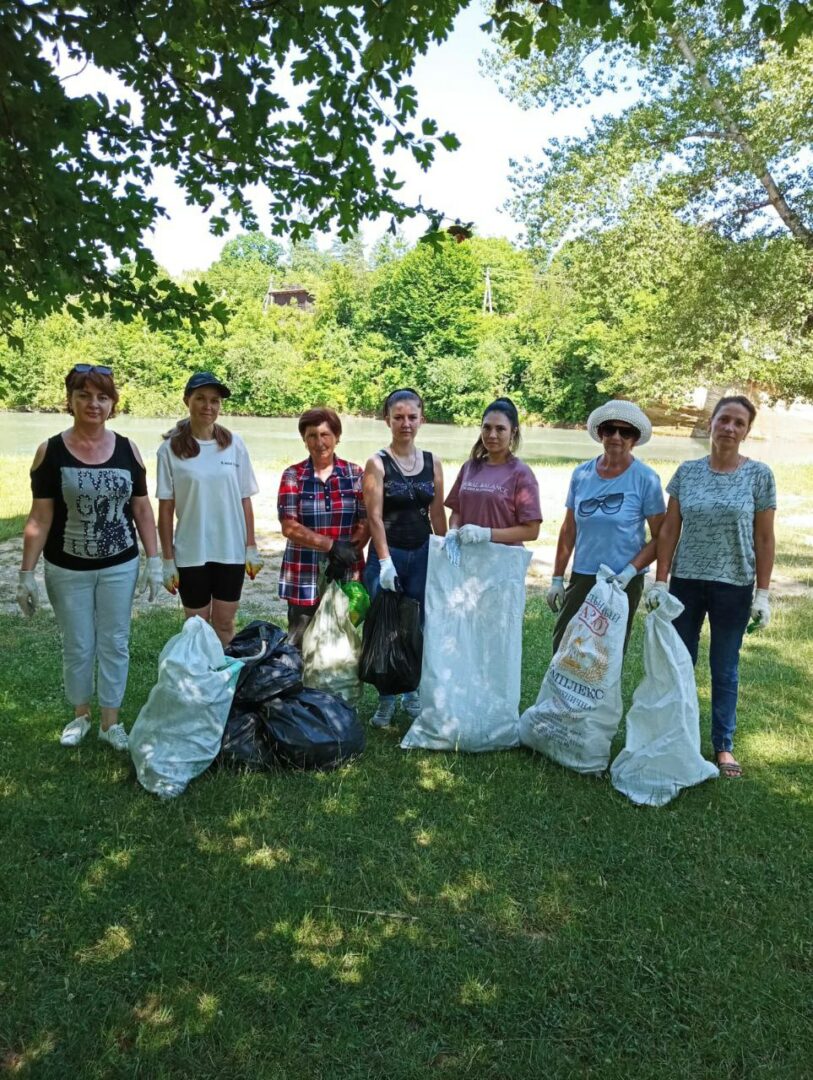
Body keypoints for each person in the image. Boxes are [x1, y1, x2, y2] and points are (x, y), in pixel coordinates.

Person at [16, 363, 162, 750]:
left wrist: (156, 560)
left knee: (115, 641)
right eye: (83, 395)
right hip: (67, 568)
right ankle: (80, 716)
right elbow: (40, 516)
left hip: (120, 565)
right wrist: (25, 574)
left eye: (102, 396)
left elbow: (142, 509)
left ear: (113, 403)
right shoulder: (51, 450)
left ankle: (110, 723)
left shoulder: (129, 448)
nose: (93, 404)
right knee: (78, 643)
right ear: (70, 400)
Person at [648, 395, 776, 779]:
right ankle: (677, 734)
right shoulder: (687, 472)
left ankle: (723, 745)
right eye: (724, 420)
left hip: (734, 586)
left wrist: (763, 594)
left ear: (746, 431)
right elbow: (670, 530)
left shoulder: (759, 476)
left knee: (724, 669)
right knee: (679, 663)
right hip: (686, 583)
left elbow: (765, 539)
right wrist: (660, 581)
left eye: (739, 423)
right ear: (711, 423)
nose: (730, 428)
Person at [546, 400, 666, 654]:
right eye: (609, 429)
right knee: (565, 644)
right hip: (584, 575)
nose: (616, 437)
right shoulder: (581, 474)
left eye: (625, 432)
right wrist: (557, 578)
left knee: (606, 655)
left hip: (622, 580)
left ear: (634, 439)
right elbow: (569, 529)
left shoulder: (646, 478)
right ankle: (558, 696)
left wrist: (630, 572)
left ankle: (603, 697)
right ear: (600, 433)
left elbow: (661, 537)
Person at [157, 372, 262, 646]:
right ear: (186, 401)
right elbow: (166, 508)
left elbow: (244, 498)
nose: (208, 406)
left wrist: (251, 546)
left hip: (230, 550)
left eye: (215, 401)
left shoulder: (234, 444)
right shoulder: (169, 449)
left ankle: (224, 685)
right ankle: (199, 685)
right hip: (192, 552)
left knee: (225, 623)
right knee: (197, 628)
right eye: (200, 398)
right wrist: (168, 560)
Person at [363, 388, 447, 727]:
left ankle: (411, 692)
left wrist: (443, 551)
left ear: (422, 419)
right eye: (398, 417)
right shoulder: (377, 463)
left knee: (416, 627)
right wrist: (384, 562)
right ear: (387, 420)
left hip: (423, 552)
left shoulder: (432, 462)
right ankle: (386, 700)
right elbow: (374, 517)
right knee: (386, 626)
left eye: (412, 417)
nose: (405, 423)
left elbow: (437, 512)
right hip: (389, 554)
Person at [277, 408, 368, 648]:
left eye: (325, 434)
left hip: (346, 570)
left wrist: (347, 552)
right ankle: (299, 684)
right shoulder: (293, 475)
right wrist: (331, 546)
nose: (320, 442)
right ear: (304, 440)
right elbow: (289, 526)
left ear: (337, 436)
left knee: (342, 641)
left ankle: (336, 686)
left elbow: (365, 521)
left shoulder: (355, 473)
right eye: (312, 436)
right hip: (304, 571)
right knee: (299, 641)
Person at [445, 397, 542, 553]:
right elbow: (457, 511)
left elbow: (532, 531)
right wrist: (453, 530)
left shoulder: (521, 473)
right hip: (468, 559)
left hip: (501, 562)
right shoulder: (469, 467)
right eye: (487, 427)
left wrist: (486, 534)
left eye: (500, 429)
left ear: (513, 431)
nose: (492, 435)